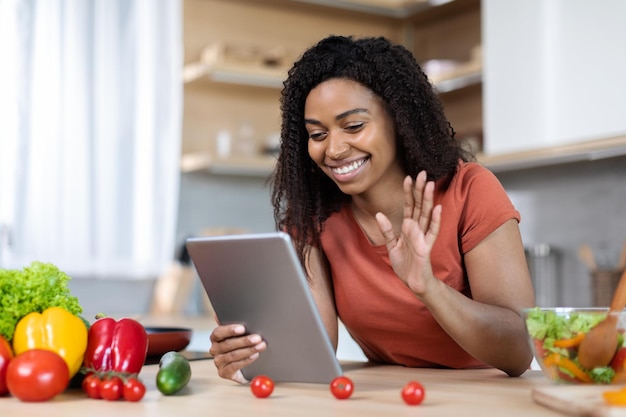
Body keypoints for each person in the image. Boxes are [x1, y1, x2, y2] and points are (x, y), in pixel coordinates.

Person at [209, 35, 535, 384]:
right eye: (317, 134)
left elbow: (519, 350)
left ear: (399, 119)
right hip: (387, 399)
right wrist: (245, 356)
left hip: (485, 399)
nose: (333, 149)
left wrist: (429, 288)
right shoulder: (315, 218)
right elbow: (314, 352)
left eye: (354, 126)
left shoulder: (470, 190)